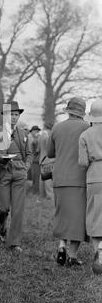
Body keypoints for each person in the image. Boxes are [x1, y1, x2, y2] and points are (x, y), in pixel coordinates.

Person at [47, 97, 89, 267]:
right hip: (80, 179)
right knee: (79, 219)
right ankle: (72, 256)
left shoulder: (57, 128)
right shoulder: (87, 128)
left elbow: (50, 153)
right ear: (82, 112)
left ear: (68, 110)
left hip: (60, 178)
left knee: (62, 214)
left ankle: (62, 246)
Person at [0, 101, 33, 252]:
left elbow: (29, 154)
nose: (14, 117)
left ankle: (14, 241)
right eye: (11, 114)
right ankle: (2, 229)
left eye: (16, 114)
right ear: (4, 116)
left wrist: (26, 166)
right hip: (3, 170)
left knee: (18, 209)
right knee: (3, 207)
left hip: (20, 172)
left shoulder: (23, 133)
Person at [78, 99, 102, 274]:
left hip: (94, 177)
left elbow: (82, 162)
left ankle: (98, 252)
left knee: (94, 215)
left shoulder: (85, 135)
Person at [39, 122, 54, 200]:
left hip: (42, 158)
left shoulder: (41, 135)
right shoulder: (48, 136)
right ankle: (49, 196)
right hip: (47, 159)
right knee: (48, 180)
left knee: (42, 179)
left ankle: (42, 195)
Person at [29, 125, 41, 194]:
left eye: (37, 131)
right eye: (35, 131)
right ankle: (34, 189)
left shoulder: (37, 139)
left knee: (36, 176)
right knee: (33, 176)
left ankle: (36, 190)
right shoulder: (31, 138)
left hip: (36, 160)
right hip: (33, 160)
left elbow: (37, 150)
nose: (36, 132)